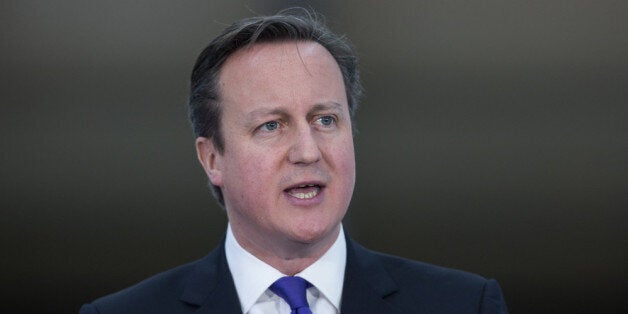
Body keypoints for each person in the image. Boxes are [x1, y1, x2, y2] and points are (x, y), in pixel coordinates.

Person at [80, 9, 508, 314]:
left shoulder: (463, 304)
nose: (308, 151)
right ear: (212, 158)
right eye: (271, 125)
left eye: (325, 119)